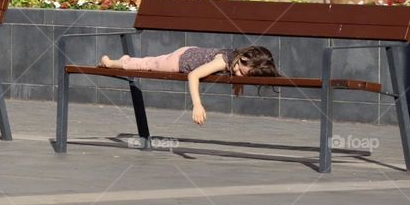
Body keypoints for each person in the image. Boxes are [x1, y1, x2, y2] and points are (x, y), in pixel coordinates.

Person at [100, 46, 279, 126]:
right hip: (180, 62)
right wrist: (197, 105)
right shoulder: (222, 62)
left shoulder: (235, 58)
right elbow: (193, 75)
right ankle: (113, 63)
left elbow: (236, 70)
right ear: (242, 57)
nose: (239, 74)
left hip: (191, 52)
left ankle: (123, 61)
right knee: (148, 64)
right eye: (240, 70)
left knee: (149, 62)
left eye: (243, 75)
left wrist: (237, 84)